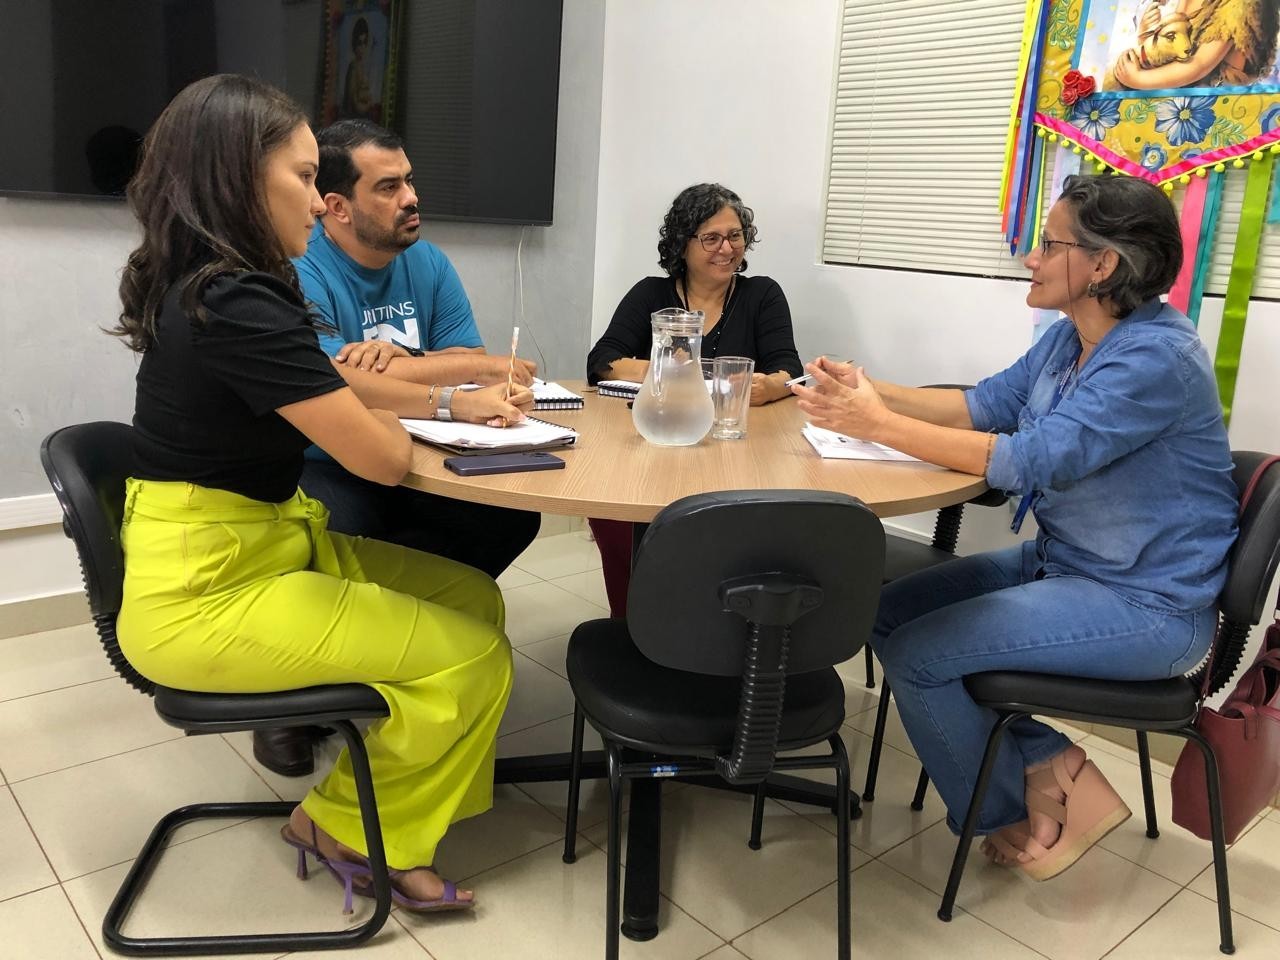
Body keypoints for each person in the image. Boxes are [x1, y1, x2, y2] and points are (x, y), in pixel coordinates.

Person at [112, 73, 535, 911]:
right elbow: (376, 454)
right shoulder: (240, 303)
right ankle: (340, 822)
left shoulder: (223, 284)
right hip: (209, 589)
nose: (318, 203)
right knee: (478, 656)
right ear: (240, 176)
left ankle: (391, 794)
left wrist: (438, 399)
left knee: (474, 599)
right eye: (304, 179)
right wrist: (375, 393)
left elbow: (352, 384)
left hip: (250, 546)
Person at [794, 174, 1237, 880]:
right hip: (1065, 565)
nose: (1030, 257)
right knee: (879, 614)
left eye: (1050, 244)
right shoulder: (1070, 338)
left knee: (919, 655)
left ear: (1103, 265)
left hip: (1145, 604)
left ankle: (1002, 817)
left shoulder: (1156, 359)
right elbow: (985, 404)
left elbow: (1033, 459)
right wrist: (871, 392)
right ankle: (1046, 759)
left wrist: (880, 426)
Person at [253, 119, 543, 777]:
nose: (411, 196)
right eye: (389, 186)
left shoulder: (427, 262)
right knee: (344, 527)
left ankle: (396, 657)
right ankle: (293, 701)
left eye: (409, 179)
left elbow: (474, 362)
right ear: (336, 207)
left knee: (510, 517)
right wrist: (441, 370)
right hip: (324, 462)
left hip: (426, 452)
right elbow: (334, 379)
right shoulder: (302, 265)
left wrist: (403, 360)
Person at [585, 183, 803, 616]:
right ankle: (632, 623)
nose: (727, 248)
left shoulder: (762, 295)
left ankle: (704, 626)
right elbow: (602, 361)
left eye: (736, 236)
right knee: (615, 515)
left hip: (731, 454)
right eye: (711, 238)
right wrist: (667, 369)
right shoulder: (652, 295)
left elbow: (789, 369)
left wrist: (772, 386)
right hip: (654, 447)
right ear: (682, 245)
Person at [1110, 0, 1280, 89]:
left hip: (1217, 92)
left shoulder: (1237, 6)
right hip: (1180, 83)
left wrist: (1138, 79)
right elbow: (1174, 45)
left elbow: (1199, 65)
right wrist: (1148, 34)